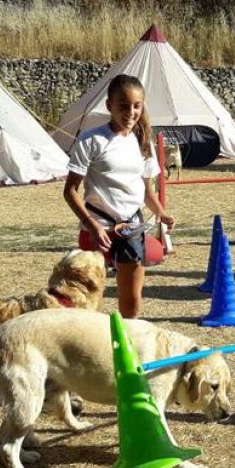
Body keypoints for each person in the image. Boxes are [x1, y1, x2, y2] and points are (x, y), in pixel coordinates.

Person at [63, 74, 173, 319]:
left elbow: (147, 188)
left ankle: (127, 344)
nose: (131, 112)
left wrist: (161, 213)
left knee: (132, 302)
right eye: (123, 106)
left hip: (132, 227)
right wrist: (92, 226)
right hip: (98, 228)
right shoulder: (91, 140)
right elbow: (70, 191)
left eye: (137, 106)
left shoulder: (143, 141)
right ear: (109, 106)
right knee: (90, 299)